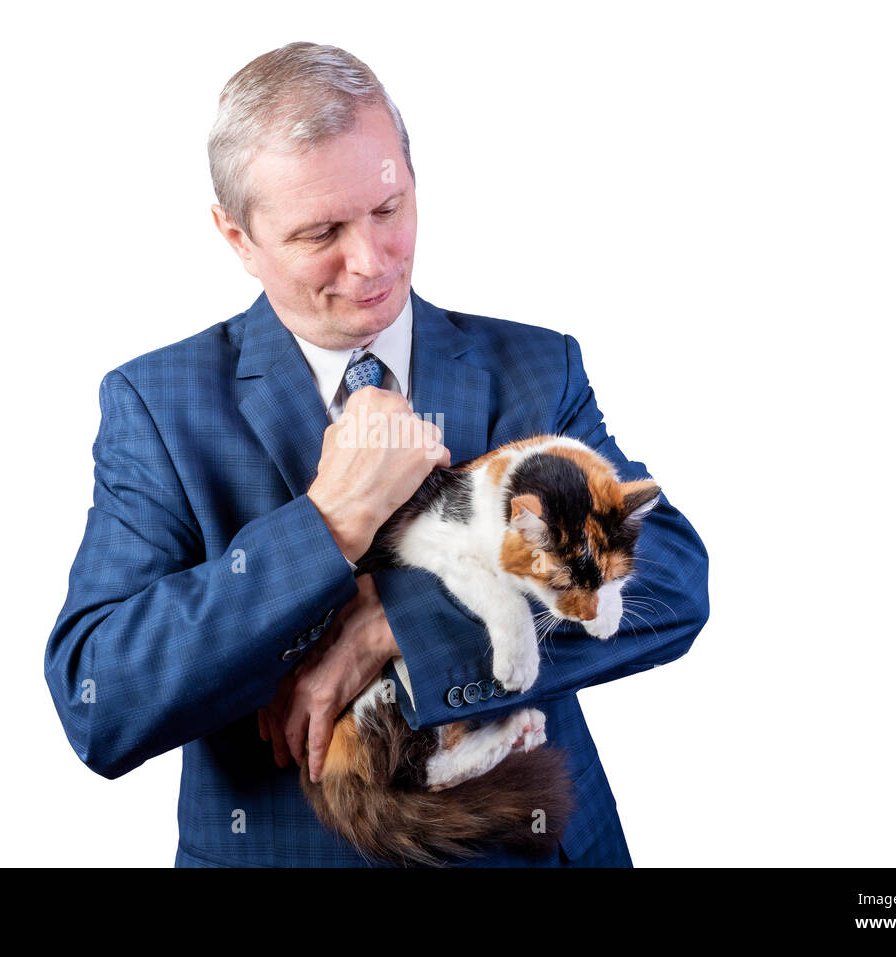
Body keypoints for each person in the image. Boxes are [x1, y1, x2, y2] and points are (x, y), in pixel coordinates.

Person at [43, 41, 710, 867]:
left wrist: (396, 624)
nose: (370, 262)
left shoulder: (536, 367)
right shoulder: (158, 404)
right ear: (237, 236)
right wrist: (326, 526)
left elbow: (676, 580)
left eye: (387, 210)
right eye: (320, 231)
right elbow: (99, 698)